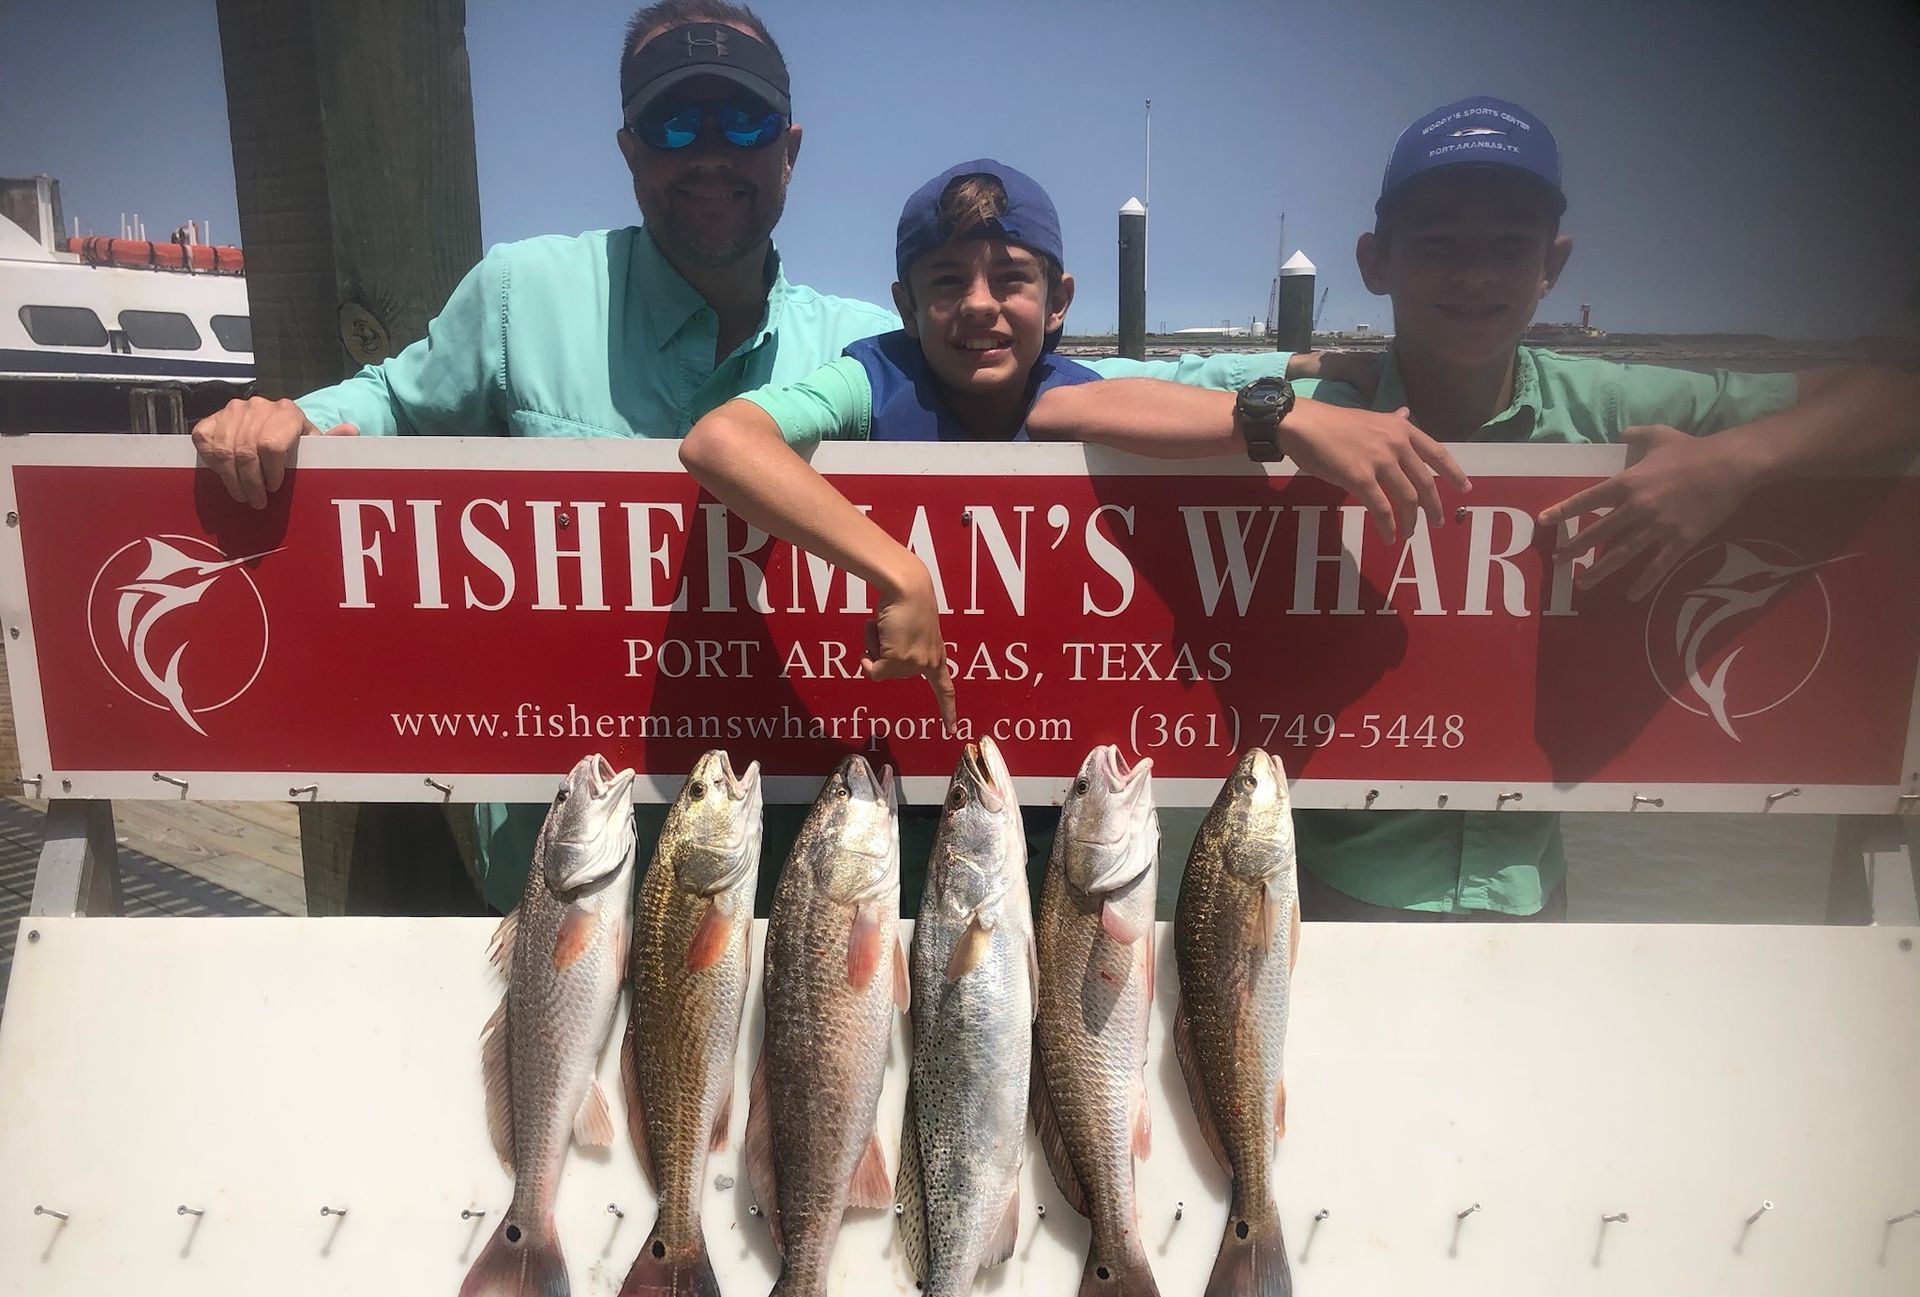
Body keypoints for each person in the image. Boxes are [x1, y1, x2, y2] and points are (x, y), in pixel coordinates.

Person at [188, 2, 1357, 916]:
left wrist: (1308, 396)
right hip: (570, 848)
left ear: (789, 150)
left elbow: (1091, 393)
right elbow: (389, 403)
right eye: (673, 124)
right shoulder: (521, 292)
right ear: (628, 146)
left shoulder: (858, 341)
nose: (709, 154)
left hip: (800, 861)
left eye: (740, 125)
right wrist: (292, 420)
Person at [681, 156, 1468, 906]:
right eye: (947, 282)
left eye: (1011, 279)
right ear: (906, 303)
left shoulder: (1074, 392)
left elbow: (1180, 381)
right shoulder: (869, 377)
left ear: (1059, 302)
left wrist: (1296, 389)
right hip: (888, 805)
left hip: (1065, 802)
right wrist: (902, 572)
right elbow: (721, 442)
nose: (981, 303)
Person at [1289, 95, 1920, 922]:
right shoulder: (1316, 405)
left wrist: (1734, 464)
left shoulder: (1616, 403)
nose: (1475, 275)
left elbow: (1894, 398)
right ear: (1377, 261)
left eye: (1509, 247)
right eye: (1439, 243)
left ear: (1553, 262)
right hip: (1318, 890)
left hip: (1531, 888)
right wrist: (1283, 409)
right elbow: (1080, 400)